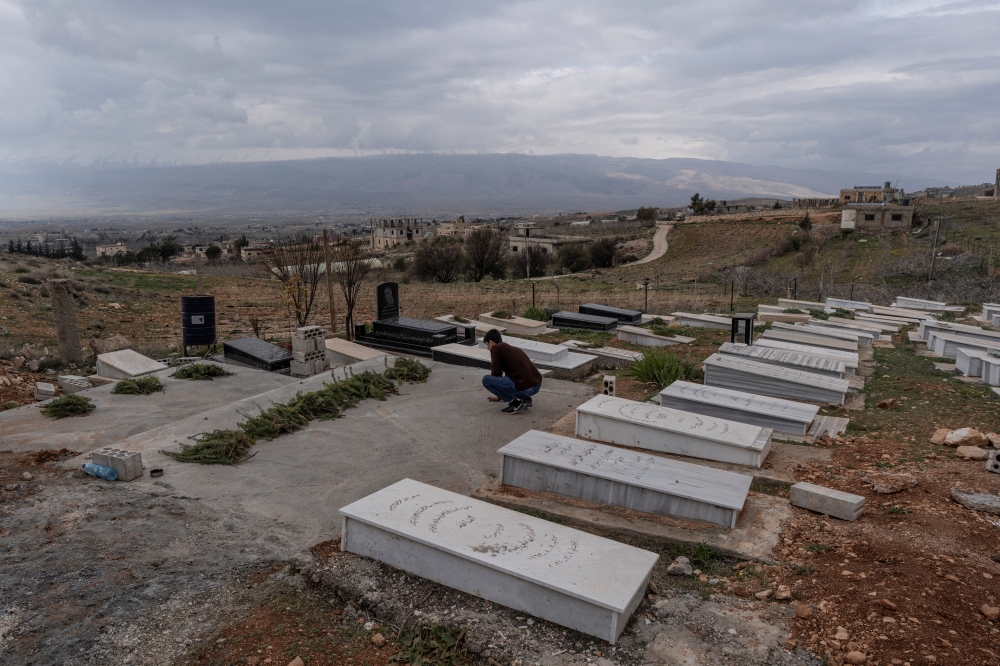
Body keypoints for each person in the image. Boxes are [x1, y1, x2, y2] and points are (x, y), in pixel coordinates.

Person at [482, 329, 542, 414]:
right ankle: (526, 400)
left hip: (525, 389)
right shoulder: (512, 349)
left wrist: (501, 395)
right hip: (535, 386)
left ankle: (514, 404)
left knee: (486, 380)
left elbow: (496, 374)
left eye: (487, 345)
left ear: (491, 342)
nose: (488, 348)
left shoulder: (495, 348)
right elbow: (510, 375)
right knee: (511, 377)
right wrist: (499, 397)